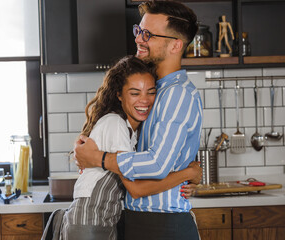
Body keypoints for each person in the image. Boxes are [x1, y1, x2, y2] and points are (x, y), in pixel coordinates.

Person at [74, 1, 203, 239]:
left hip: (163, 224)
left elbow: (157, 164)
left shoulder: (177, 93)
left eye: (149, 34)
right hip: (141, 219)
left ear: (176, 45)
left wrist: (99, 158)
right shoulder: (154, 90)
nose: (139, 39)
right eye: (139, 31)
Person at [53, 56, 201, 240]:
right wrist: (188, 174)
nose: (144, 100)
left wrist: (186, 180)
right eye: (135, 93)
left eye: (151, 92)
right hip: (88, 223)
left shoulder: (133, 131)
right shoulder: (115, 124)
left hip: (102, 222)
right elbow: (136, 189)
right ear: (119, 95)